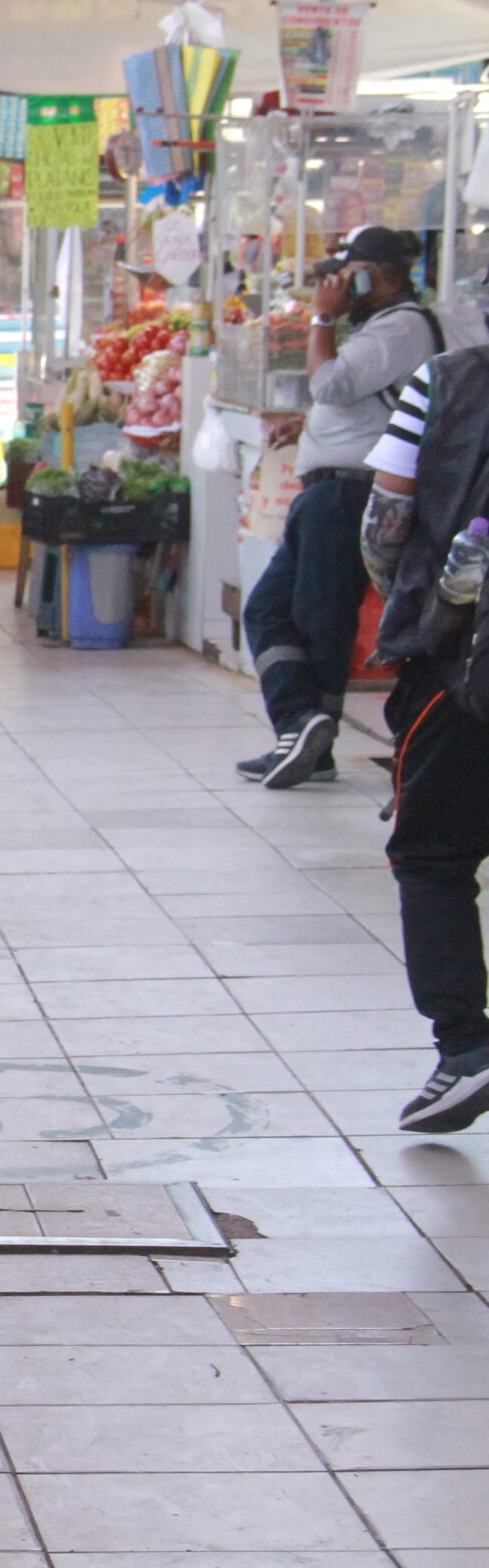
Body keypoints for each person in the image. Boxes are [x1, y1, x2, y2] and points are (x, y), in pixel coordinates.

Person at [240, 226, 444, 789]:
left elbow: (329, 383)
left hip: (349, 492)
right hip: (329, 490)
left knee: (319, 618)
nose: (339, 286)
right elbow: (358, 405)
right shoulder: (384, 329)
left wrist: (323, 317)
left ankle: (308, 733)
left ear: (373, 274)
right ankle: (301, 728)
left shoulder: (402, 327)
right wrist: (305, 428)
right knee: (269, 610)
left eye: (348, 275)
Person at [359, 347, 489, 1131]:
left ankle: (467, 1047)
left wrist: (416, 605)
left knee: (432, 855)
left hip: (459, 664)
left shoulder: (448, 378)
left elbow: (388, 518)